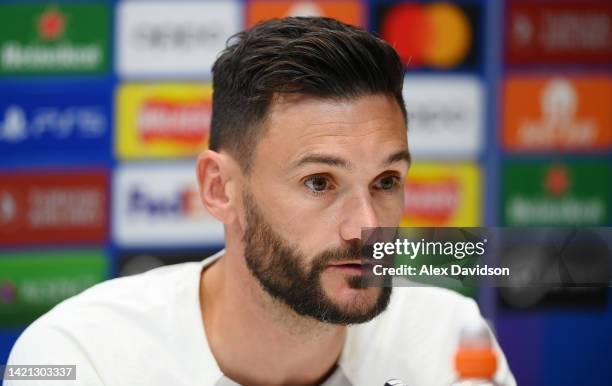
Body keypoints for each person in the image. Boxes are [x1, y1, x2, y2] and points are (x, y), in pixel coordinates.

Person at [7, 17, 515, 386]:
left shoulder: (451, 338)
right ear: (219, 188)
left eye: (386, 181)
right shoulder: (80, 355)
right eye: (320, 182)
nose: (367, 225)